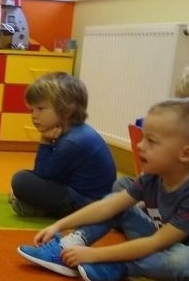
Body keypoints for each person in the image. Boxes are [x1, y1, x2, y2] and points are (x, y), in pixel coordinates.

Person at [17, 98, 189, 281]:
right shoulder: (154, 175)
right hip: (165, 247)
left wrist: (94, 255)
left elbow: (155, 243)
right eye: (143, 137)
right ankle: (66, 247)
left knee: (185, 261)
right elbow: (108, 207)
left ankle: (120, 266)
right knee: (114, 200)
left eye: (151, 141)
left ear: (185, 154)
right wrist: (60, 225)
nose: (140, 146)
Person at [9, 72, 117, 218]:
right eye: (32, 110)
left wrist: (45, 142)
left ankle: (38, 209)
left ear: (66, 110)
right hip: (89, 198)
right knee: (27, 180)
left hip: (86, 204)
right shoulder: (76, 132)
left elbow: (42, 175)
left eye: (40, 109)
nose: (34, 115)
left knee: (20, 180)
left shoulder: (71, 142)